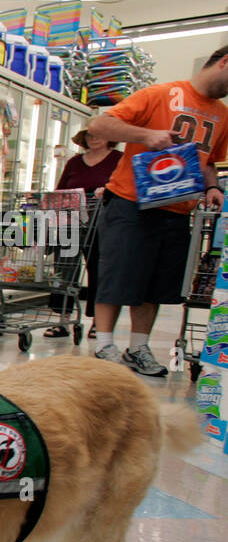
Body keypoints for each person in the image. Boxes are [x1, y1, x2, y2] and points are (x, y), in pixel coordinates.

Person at [86, 45, 228, 375]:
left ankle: (138, 347)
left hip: (177, 209)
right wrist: (146, 135)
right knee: (118, 275)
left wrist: (212, 187)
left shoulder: (223, 115)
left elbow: (211, 161)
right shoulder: (161, 94)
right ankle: (104, 344)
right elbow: (99, 125)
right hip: (131, 202)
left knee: (154, 283)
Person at [44, 129, 121, 338]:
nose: (94, 138)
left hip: (103, 222)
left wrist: (109, 189)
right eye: (89, 135)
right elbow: (60, 189)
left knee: (100, 269)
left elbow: (126, 187)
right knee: (64, 268)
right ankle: (63, 320)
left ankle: (99, 322)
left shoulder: (119, 160)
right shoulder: (75, 162)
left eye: (98, 133)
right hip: (71, 221)